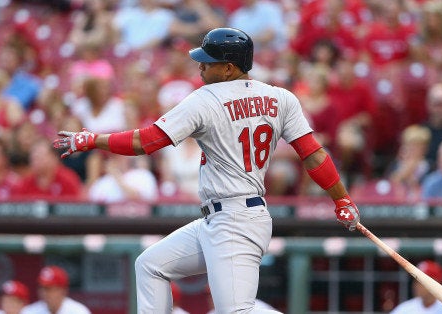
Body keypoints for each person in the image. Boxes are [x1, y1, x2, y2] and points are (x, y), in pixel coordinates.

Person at [54, 27, 360, 313]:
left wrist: (94, 139)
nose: (200, 68)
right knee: (150, 265)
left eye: (207, 62)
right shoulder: (281, 97)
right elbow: (314, 155)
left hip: (235, 219)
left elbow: (144, 142)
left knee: (235, 311)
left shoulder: (205, 99)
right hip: (224, 218)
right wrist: (341, 199)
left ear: (228, 68)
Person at [21, 266, 90, 314]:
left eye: (49, 289)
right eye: (42, 288)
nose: (44, 293)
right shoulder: (29, 311)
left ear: (62, 291)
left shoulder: (78, 312)